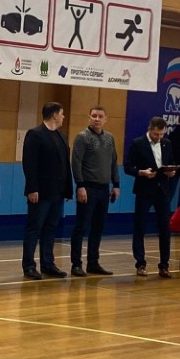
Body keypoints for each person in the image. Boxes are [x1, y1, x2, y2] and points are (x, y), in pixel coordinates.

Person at [22, 102, 73, 280]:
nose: (63, 117)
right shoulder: (35, 134)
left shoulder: (61, 136)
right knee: (34, 228)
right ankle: (29, 265)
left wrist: (67, 190)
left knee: (51, 228)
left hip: (57, 192)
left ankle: (48, 263)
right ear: (54, 115)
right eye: (62, 114)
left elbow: (65, 165)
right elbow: (29, 163)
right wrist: (32, 188)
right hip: (41, 192)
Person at [70, 107, 120, 277]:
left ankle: (93, 262)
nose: (97, 119)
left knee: (98, 227)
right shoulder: (82, 137)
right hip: (88, 188)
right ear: (89, 117)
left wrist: (116, 184)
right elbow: (76, 162)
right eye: (94, 116)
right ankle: (76, 264)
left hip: (104, 189)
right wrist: (80, 186)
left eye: (100, 116)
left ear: (106, 119)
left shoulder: (109, 138)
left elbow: (113, 162)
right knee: (81, 226)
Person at [124, 117, 177, 278]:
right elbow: (128, 167)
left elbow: (171, 162)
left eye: (161, 134)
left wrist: (171, 171)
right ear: (149, 129)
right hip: (145, 189)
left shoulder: (167, 143)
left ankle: (164, 265)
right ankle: (140, 264)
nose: (159, 137)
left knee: (165, 228)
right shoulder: (137, 143)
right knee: (140, 227)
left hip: (163, 190)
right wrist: (141, 172)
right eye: (156, 134)